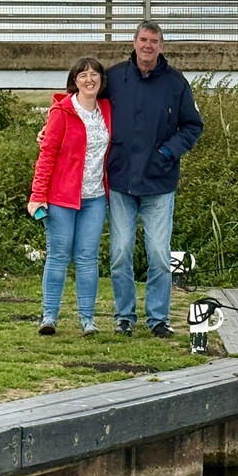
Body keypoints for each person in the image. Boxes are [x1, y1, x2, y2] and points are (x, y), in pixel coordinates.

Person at [104, 20, 203, 338]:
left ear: (161, 46)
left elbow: (192, 126)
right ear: (133, 42)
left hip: (159, 183)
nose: (148, 45)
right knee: (120, 252)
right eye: (143, 39)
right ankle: (124, 316)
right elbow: (83, 104)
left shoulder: (176, 83)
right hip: (120, 179)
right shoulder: (113, 77)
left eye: (154, 41)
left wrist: (166, 153)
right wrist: (52, 126)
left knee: (159, 254)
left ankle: (158, 318)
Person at [27, 56, 111, 337]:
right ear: (74, 82)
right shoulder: (61, 112)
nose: (89, 79)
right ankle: (49, 316)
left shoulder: (108, 110)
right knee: (58, 256)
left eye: (94, 74)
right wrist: (37, 195)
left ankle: (88, 320)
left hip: (95, 197)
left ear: (101, 79)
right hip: (62, 198)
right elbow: (47, 155)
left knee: (88, 258)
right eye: (82, 75)